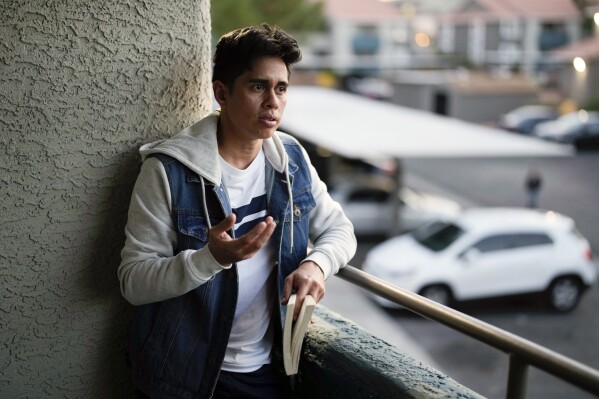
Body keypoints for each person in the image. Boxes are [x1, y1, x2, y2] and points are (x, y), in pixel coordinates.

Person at [118, 23, 357, 399]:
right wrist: (209, 258)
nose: (273, 102)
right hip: (184, 374)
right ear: (221, 93)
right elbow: (133, 281)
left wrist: (317, 264)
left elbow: (340, 230)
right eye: (257, 86)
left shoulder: (290, 159)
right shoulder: (169, 171)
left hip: (267, 368)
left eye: (281, 88)